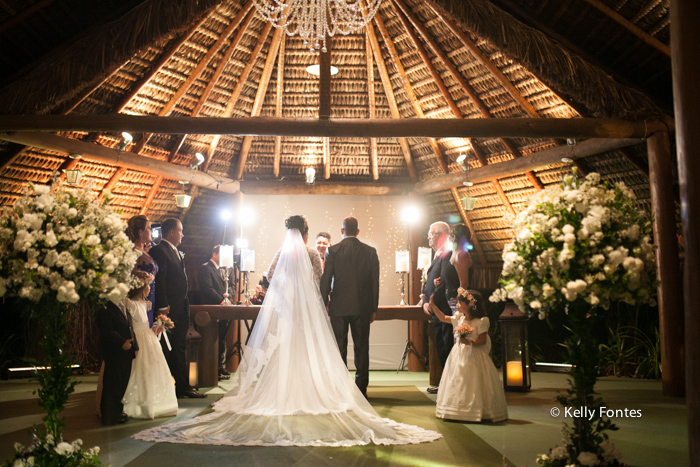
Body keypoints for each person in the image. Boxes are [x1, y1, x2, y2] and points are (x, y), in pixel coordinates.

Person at [133, 215, 441, 446]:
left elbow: (269, 279)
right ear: (305, 234)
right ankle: (316, 391)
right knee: (312, 351)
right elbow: (321, 282)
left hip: (284, 314)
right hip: (306, 315)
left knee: (283, 352)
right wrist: (319, 303)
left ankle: (279, 391)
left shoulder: (281, 255)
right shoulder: (311, 255)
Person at [319, 216, 379, 399]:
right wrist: (373, 308)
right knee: (362, 348)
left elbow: (326, 280)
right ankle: (361, 390)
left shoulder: (333, 251)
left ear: (342, 231)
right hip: (362, 307)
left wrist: (324, 303)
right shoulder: (370, 251)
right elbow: (374, 283)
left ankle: (340, 389)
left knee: (339, 348)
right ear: (358, 231)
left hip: (339, 307)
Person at [428, 291, 508, 422]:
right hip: (459, 354)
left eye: (460, 302)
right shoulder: (460, 318)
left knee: (475, 381)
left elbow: (482, 340)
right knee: (458, 379)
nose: (457, 305)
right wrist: (433, 306)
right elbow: (443, 318)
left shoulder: (481, 321)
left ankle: (477, 410)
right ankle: (455, 409)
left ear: (470, 304)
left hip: (475, 356)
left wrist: (470, 341)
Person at [149, 218, 206, 399]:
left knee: (180, 347)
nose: (183, 235)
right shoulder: (159, 250)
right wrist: (163, 305)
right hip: (169, 309)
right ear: (172, 232)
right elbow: (161, 280)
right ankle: (173, 386)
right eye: (180, 231)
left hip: (181, 308)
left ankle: (182, 387)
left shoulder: (175, 251)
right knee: (169, 348)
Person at [122, 272, 178, 419]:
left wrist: (156, 329)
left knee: (152, 368)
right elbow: (132, 324)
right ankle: (136, 404)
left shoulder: (145, 304)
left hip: (147, 337)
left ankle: (151, 403)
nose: (149, 288)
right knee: (141, 369)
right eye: (147, 285)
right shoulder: (130, 304)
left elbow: (144, 324)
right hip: (139, 339)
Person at [422, 221, 459, 394]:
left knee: (446, 345)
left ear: (441, 235)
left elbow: (443, 281)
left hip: (444, 308)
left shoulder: (448, 253)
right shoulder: (438, 254)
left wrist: (432, 301)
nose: (428, 236)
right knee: (441, 345)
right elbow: (431, 280)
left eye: (431, 233)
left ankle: (450, 384)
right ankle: (445, 382)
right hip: (436, 308)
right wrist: (424, 298)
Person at [96, 298, 139, 426]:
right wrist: (121, 342)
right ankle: (109, 415)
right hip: (114, 350)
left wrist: (135, 347)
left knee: (122, 381)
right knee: (112, 381)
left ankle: (117, 411)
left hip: (127, 350)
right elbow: (107, 330)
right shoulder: (105, 308)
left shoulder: (123, 306)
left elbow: (129, 327)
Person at [197, 245, 233, 380]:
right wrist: (222, 300)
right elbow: (208, 289)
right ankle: (212, 368)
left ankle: (220, 366)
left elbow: (232, 286)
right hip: (211, 308)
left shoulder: (224, 270)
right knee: (212, 339)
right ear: (214, 254)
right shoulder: (205, 268)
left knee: (222, 338)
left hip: (224, 308)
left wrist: (228, 298)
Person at [267, 216, 323, 286]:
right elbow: (319, 279)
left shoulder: (282, 252)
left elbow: (270, 275)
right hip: (306, 295)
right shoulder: (312, 253)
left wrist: (282, 288)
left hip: (286, 295)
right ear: (305, 234)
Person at [126, 215, 158, 326]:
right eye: (149, 228)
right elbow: (129, 274)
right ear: (141, 232)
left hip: (150, 295)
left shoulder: (143, 251)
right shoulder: (133, 251)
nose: (151, 231)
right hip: (140, 297)